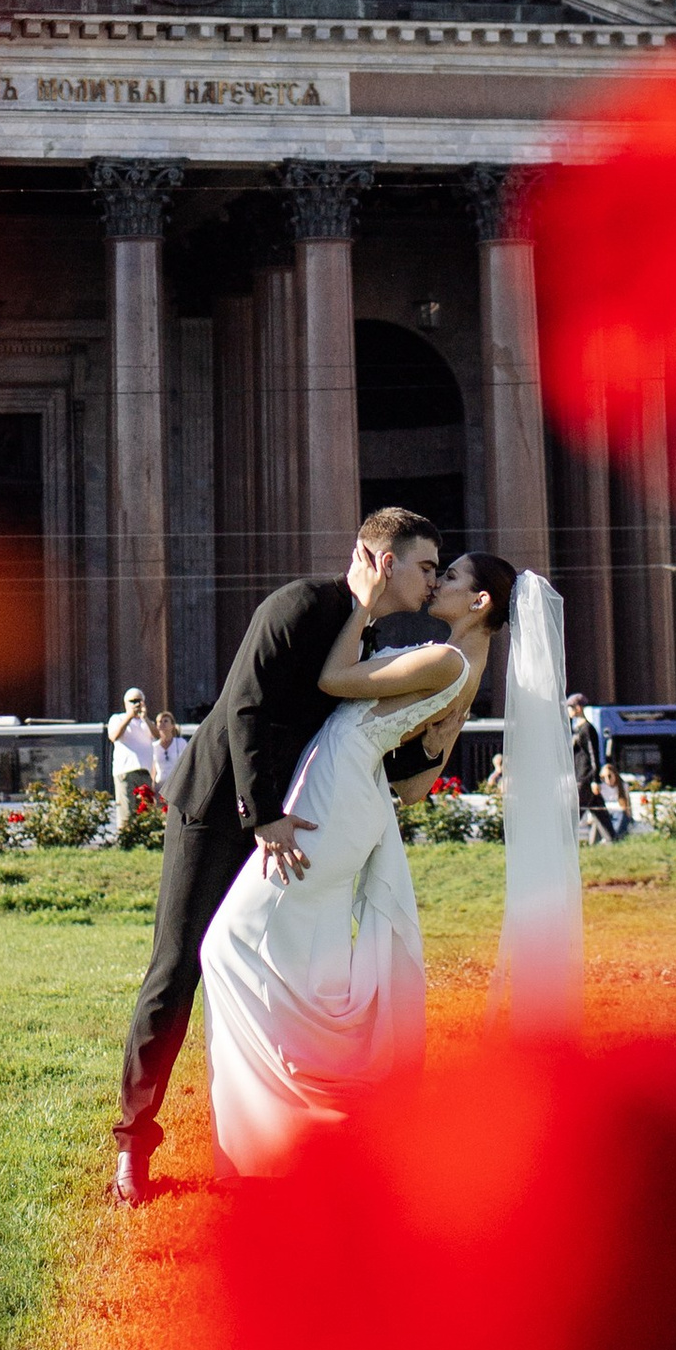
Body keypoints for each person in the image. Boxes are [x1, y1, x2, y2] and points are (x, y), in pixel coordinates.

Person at [111, 507, 441, 1206]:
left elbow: (371, 739)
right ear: (381, 558)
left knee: (276, 976)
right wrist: (261, 816)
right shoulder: (297, 604)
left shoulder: (368, 640)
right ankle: (132, 1147)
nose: (431, 580)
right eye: (425, 565)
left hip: (288, 828)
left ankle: (276, 1141)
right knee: (177, 968)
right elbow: (248, 709)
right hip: (219, 811)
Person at [200, 552, 517, 1174]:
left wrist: (367, 604)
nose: (435, 583)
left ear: (480, 603)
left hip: (336, 792)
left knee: (227, 946)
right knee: (290, 955)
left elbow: (334, 679)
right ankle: (289, 1121)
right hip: (353, 792)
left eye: (449, 576)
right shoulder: (464, 667)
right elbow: (416, 788)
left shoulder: (446, 658)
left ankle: (304, 1122)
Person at [106, 687, 162, 835]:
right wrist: (129, 717)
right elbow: (113, 736)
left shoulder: (146, 722)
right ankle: (126, 837)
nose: (136, 704)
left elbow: (157, 736)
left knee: (145, 808)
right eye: (133, 701)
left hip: (144, 772)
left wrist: (145, 718)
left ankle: (145, 836)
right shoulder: (117, 718)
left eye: (139, 701)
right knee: (127, 808)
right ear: (126, 703)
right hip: (125, 771)